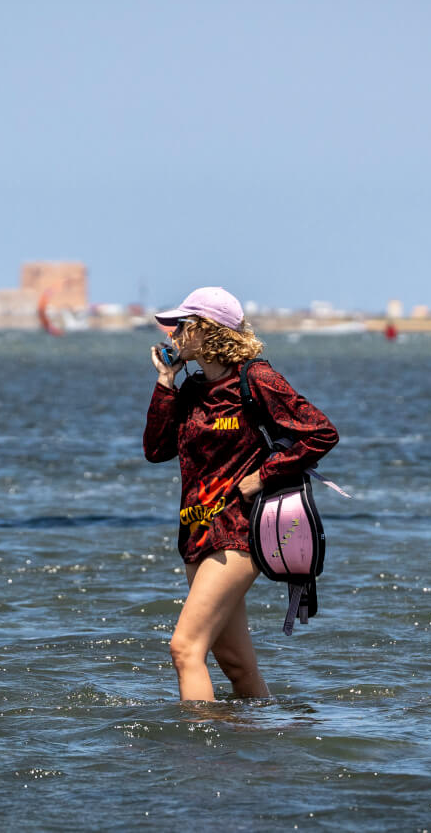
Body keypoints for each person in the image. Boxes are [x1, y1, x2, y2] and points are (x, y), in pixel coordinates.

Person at [142, 286, 338, 702]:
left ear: (205, 330)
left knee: (184, 648)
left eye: (181, 326)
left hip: (239, 532)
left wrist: (265, 474)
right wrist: (165, 382)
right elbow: (156, 450)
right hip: (196, 533)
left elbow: (322, 432)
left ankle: (199, 754)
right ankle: (255, 744)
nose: (173, 334)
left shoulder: (257, 379)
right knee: (235, 663)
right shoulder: (193, 390)